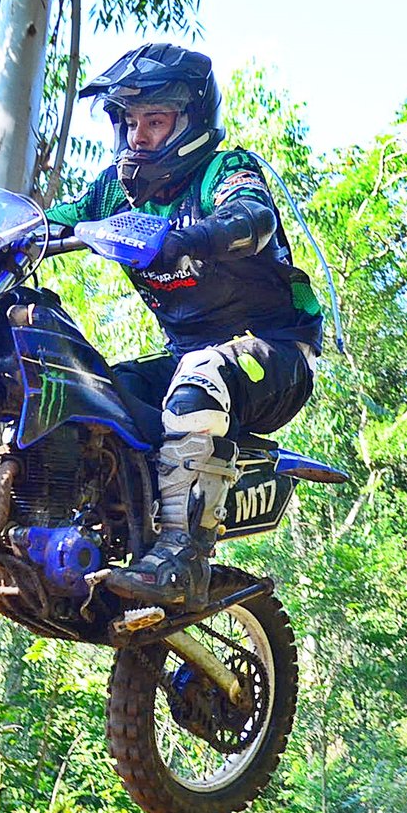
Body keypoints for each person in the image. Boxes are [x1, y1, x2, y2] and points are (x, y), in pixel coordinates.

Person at [44, 42, 323, 608]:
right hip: (185, 360)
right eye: (130, 122)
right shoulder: (112, 190)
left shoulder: (225, 169)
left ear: (190, 121)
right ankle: (103, 533)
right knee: (98, 391)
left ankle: (183, 556)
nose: (139, 136)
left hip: (275, 356)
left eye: (155, 121)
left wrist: (190, 238)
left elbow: (252, 215)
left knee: (202, 373)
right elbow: (53, 221)